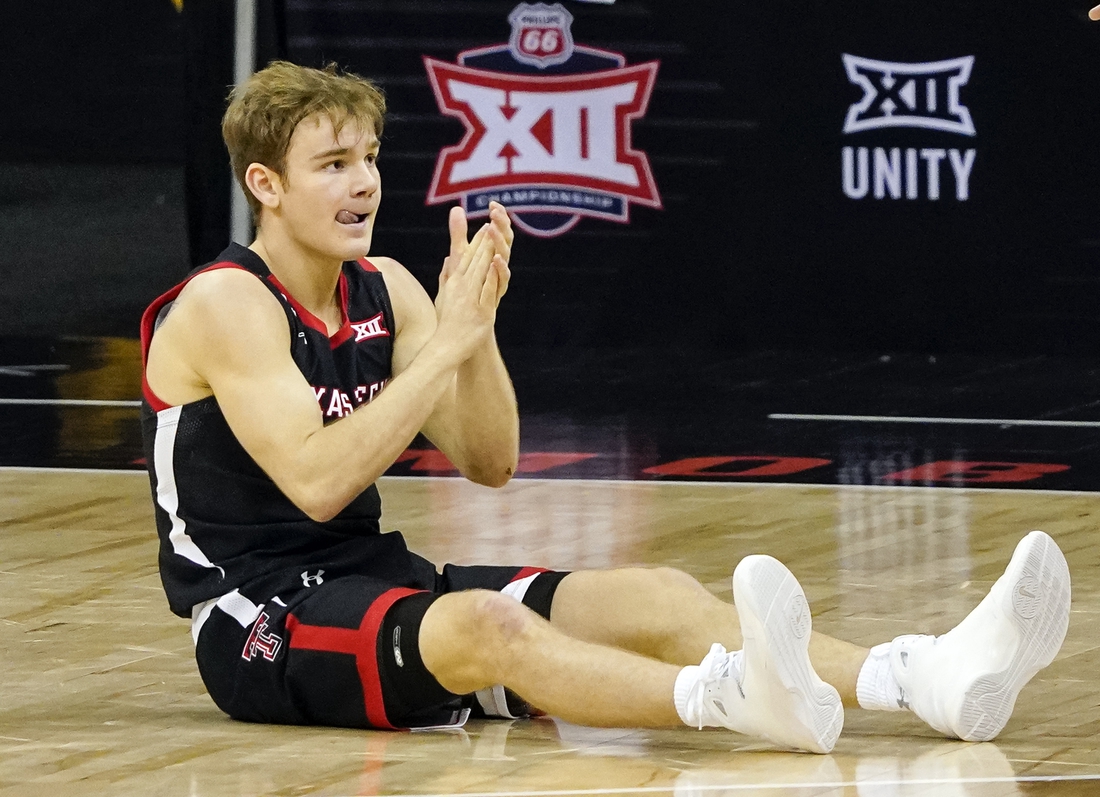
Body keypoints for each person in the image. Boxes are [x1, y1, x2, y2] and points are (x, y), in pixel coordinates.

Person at [140, 61, 1071, 753]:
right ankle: (733, 694)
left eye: (371, 158)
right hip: (256, 619)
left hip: (374, 578)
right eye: (333, 164)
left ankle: (921, 677)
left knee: (655, 591)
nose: (364, 182)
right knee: (489, 627)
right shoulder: (227, 301)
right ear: (265, 184)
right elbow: (314, 479)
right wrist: (446, 347)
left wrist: (479, 327)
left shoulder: (384, 284)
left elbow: (490, 460)